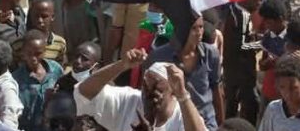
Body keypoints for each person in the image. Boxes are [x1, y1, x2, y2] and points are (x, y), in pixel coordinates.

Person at [74, 48, 208, 131]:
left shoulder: (183, 116)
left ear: (173, 93)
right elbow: (84, 92)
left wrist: (183, 94)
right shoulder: (129, 99)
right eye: (145, 86)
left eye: (157, 87)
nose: (149, 93)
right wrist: (122, 65)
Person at [144, 16, 223, 130]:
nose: (199, 32)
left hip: (207, 123)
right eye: (194, 28)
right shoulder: (158, 56)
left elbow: (216, 89)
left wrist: (221, 123)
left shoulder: (211, 53)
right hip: (175, 124)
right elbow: (147, 91)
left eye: (201, 27)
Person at [222, 0, 261, 124]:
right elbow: (243, 46)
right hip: (241, 73)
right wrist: (262, 44)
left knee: (232, 106)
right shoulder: (242, 16)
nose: (259, 3)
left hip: (233, 71)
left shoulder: (234, 11)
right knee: (250, 106)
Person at [13, 29, 63, 131]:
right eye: (29, 53)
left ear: (44, 52)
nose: (33, 58)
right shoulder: (15, 79)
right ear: (23, 52)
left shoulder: (56, 70)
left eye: (38, 53)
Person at [13, 0, 66, 65]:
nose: (40, 20)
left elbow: (60, 68)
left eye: (44, 16)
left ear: (52, 17)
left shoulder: (59, 43)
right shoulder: (18, 44)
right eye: (36, 16)